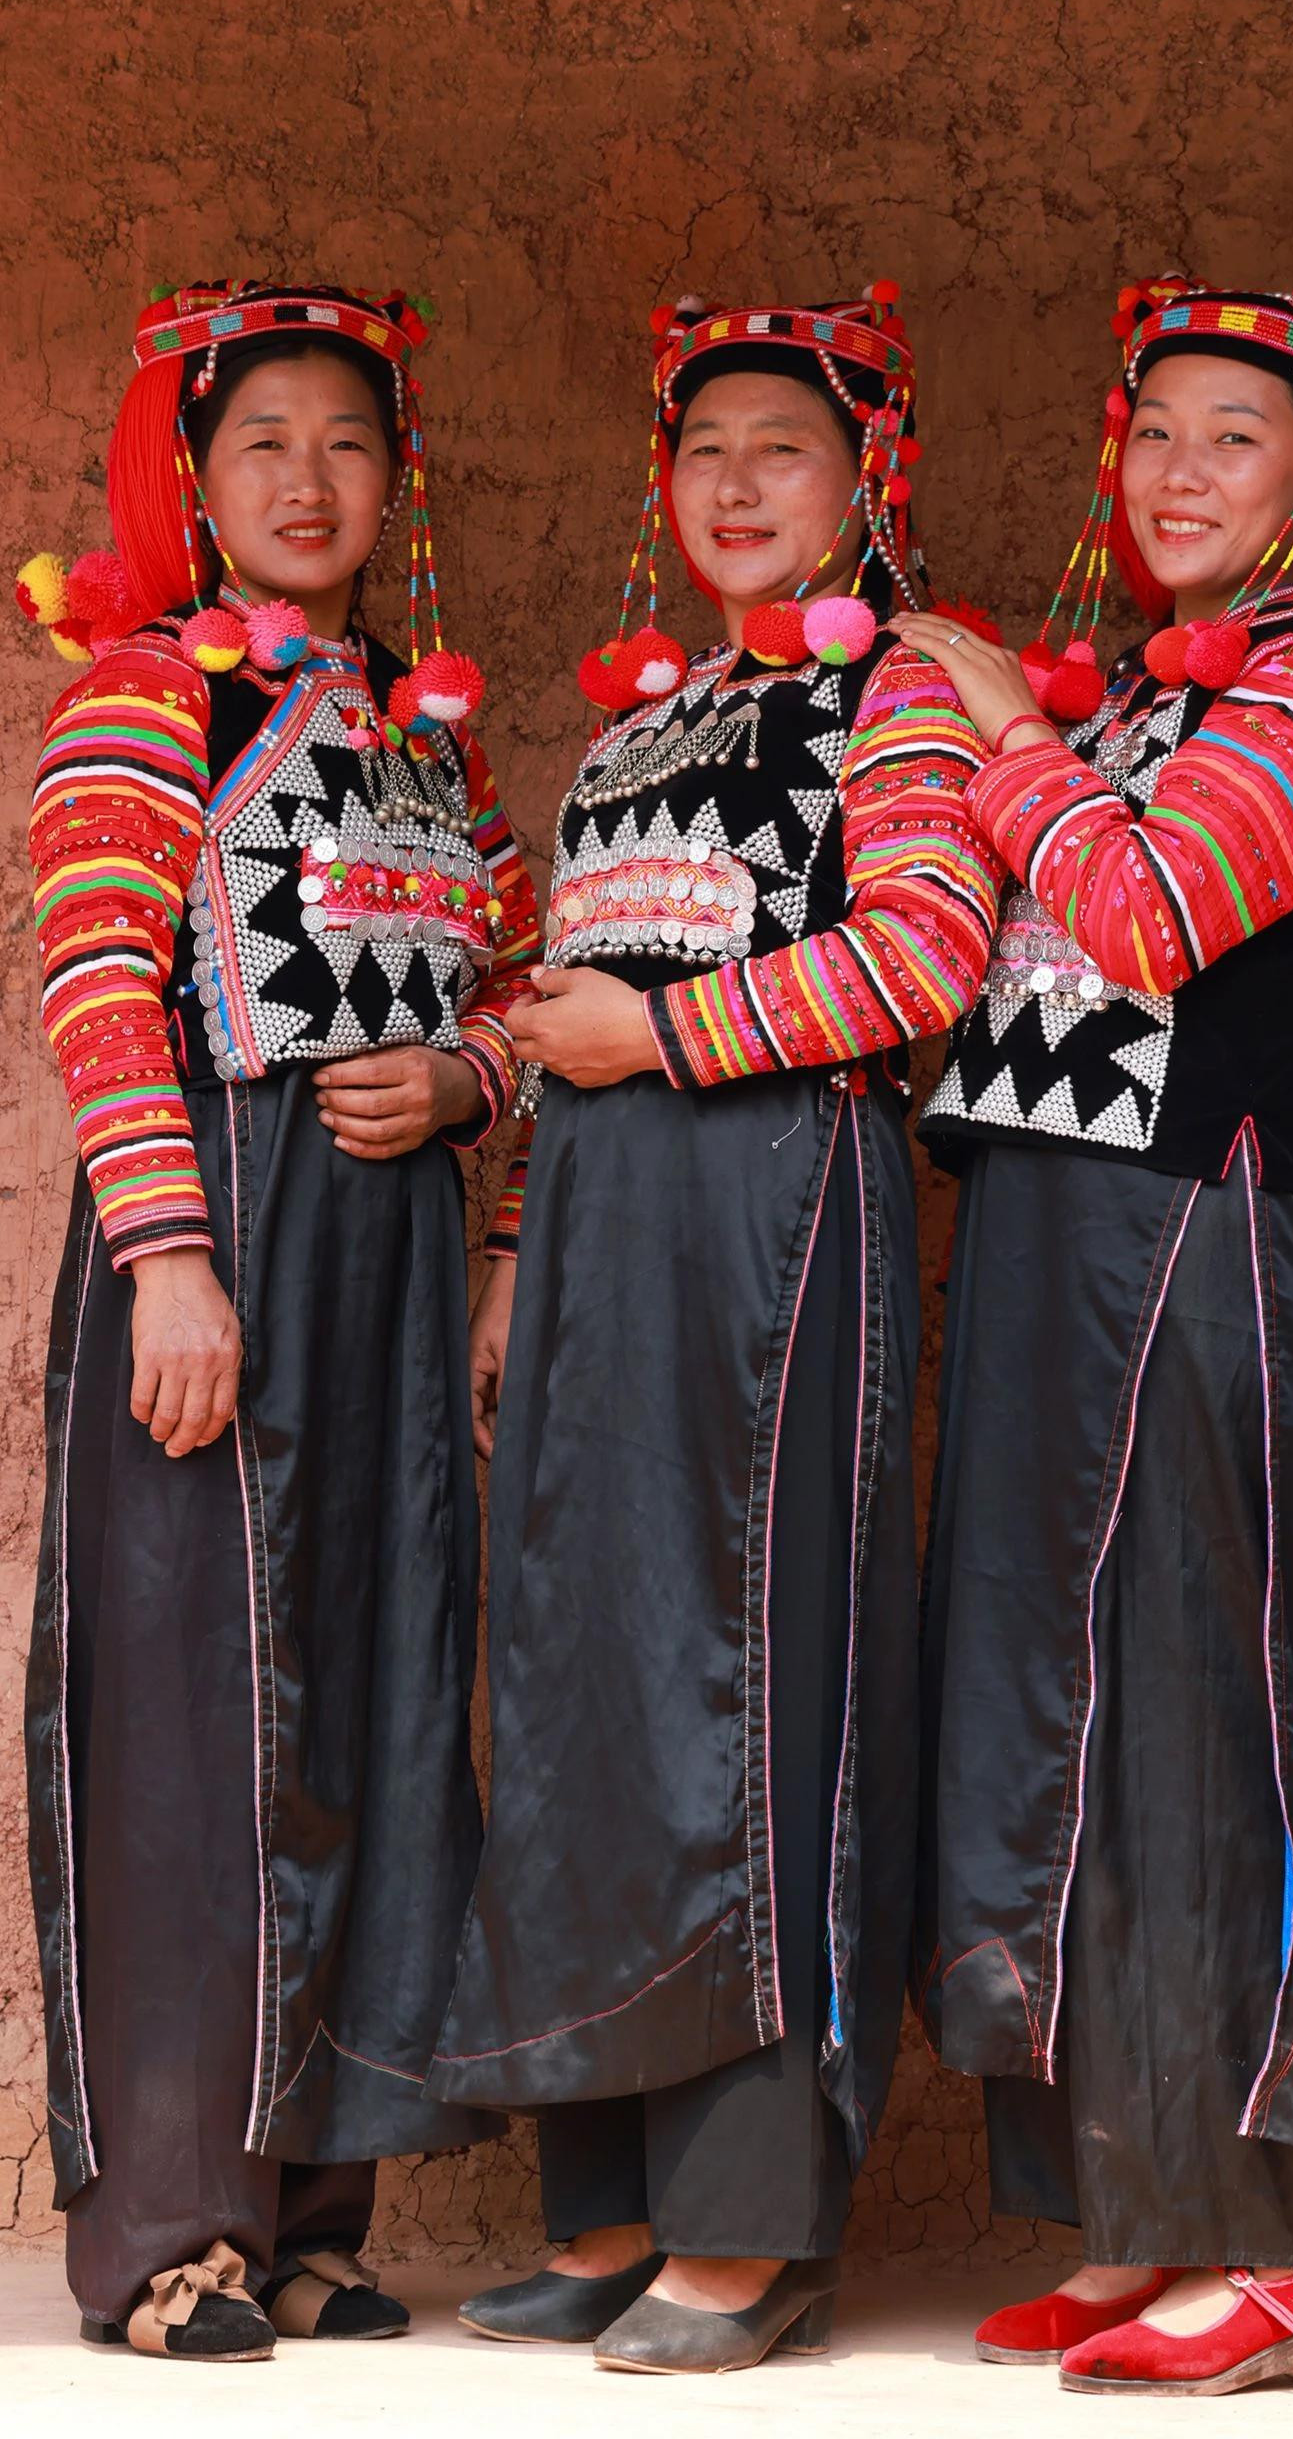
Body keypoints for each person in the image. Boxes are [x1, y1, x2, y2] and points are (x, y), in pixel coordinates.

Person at [427, 289, 1001, 2375]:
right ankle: (606, 2199)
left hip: (774, 1212)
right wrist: (507, 1259)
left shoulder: (904, 709)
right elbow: (541, 1022)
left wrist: (662, 1036)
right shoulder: (623, 734)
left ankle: (752, 2221)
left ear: (867, 483)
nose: (739, 483)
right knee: (578, 1678)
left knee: (744, 1680)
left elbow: (930, 956)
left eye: (784, 446)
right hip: (589, 1236)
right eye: (706, 450)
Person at [904, 280, 1293, 2398]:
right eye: (1157, 435)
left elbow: (1135, 916)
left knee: (1194, 1690)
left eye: (1237, 438)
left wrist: (999, 736)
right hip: (1051, 1224)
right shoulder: (1125, 694)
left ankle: (1264, 2237)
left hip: (1197, 1225)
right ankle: (1140, 2212)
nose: (1184, 473)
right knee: (1057, 1691)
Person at [20, 280, 539, 2361]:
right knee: (194, 1714)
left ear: (390, 478)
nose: (308, 481)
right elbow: (90, 975)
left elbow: (510, 976)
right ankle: (171, 2226)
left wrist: (467, 1089)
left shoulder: (425, 726)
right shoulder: (147, 694)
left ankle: (318, 2196)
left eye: (346, 441)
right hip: (219, 1219)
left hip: (393, 1246)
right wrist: (165, 1254)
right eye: (263, 445)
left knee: (378, 1698)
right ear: (194, 479)